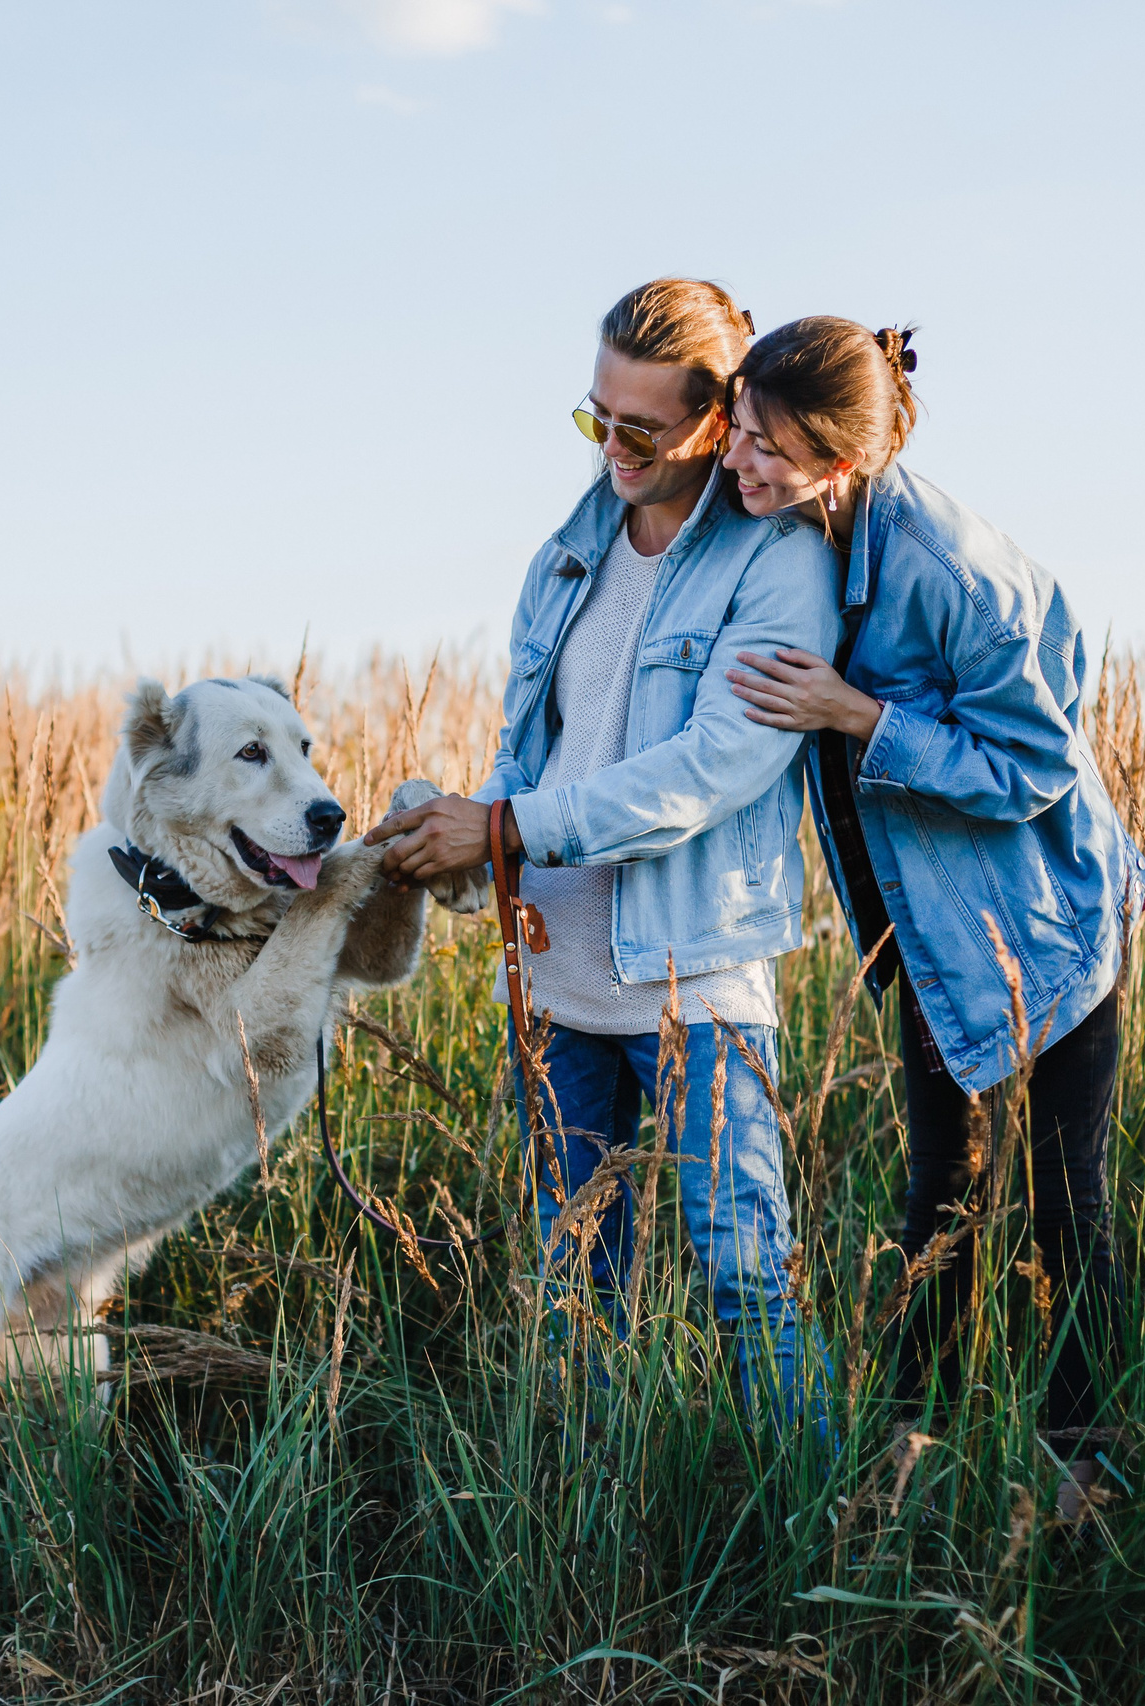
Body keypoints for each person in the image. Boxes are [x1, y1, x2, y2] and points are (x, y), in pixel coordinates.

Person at [366, 279, 841, 1420]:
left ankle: (828, 1557)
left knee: (746, 1285)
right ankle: (599, 1552)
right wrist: (464, 834)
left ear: (717, 423)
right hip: (550, 983)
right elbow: (536, 755)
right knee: (577, 1292)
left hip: (695, 988)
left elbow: (709, 773)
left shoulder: (776, 566)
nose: (612, 449)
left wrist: (508, 826)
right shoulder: (566, 555)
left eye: (641, 427)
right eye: (596, 419)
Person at [720, 317, 1145, 1516]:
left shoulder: (945, 567)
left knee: (1067, 1193)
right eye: (738, 432)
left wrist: (858, 715)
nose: (737, 462)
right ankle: (906, 1459)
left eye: (763, 446)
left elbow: (1035, 764)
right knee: (943, 1184)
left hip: (1045, 916)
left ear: (837, 461)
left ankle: (1091, 1474)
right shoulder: (801, 530)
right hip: (925, 932)